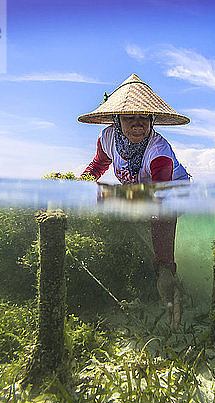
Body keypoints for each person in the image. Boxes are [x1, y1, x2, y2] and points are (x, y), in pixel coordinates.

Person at [78, 73, 190, 329]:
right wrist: (81, 185)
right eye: (130, 117)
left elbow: (157, 196)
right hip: (142, 191)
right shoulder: (108, 139)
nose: (138, 124)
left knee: (158, 215)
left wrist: (112, 197)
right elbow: (99, 164)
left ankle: (166, 273)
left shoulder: (159, 151)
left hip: (172, 192)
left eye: (144, 118)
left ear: (152, 121)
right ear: (117, 120)